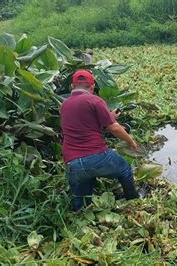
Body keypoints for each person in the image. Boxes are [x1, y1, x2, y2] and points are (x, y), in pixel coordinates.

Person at [60, 70, 140, 211]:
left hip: (72, 163)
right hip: (96, 157)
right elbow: (114, 128)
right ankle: (133, 200)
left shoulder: (64, 105)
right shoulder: (95, 100)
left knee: (81, 200)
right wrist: (131, 141)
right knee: (125, 170)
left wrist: (110, 116)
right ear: (92, 88)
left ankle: (78, 219)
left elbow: (84, 123)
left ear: (72, 87)